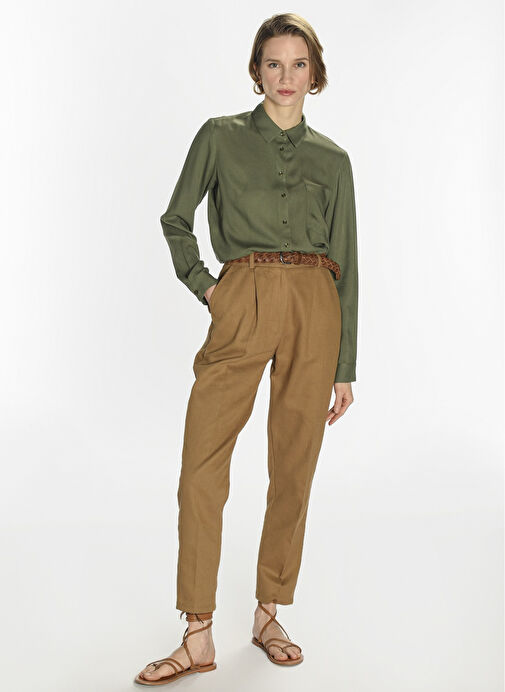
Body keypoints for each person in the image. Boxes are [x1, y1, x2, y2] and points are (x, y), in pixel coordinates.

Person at [135, 11, 358, 686]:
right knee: (201, 462)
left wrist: (344, 364)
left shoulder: (333, 161)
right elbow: (176, 218)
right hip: (244, 295)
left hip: (315, 303)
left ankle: (268, 613)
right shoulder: (220, 136)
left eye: (298, 64)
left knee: (294, 464)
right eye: (273, 63)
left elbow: (347, 262)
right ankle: (197, 631)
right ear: (256, 70)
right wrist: (209, 288)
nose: (285, 76)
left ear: (314, 74)